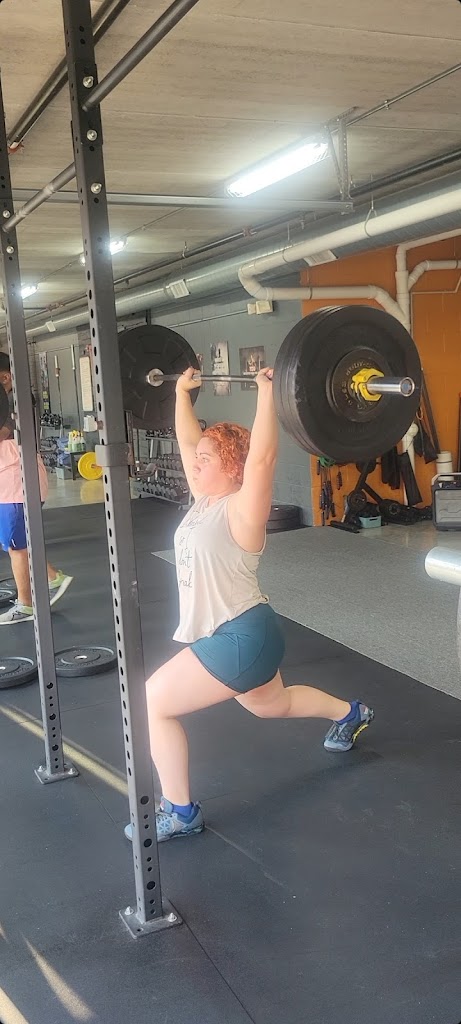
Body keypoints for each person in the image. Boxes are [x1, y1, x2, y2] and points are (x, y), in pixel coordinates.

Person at [125, 366, 374, 844]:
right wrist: (181, 394)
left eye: (206, 458)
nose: (194, 462)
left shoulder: (242, 510)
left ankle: (181, 811)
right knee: (272, 705)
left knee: (151, 702)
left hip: (239, 635)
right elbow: (187, 440)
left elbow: (262, 459)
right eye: (197, 457)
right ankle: (351, 713)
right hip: (248, 633)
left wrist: (266, 394)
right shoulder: (203, 499)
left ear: (232, 467)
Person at [0, 352, 73, 624]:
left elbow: (3, 433)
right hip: (11, 482)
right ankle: (53, 577)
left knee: (17, 546)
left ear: (5, 377)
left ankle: (26, 605)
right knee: (19, 543)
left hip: (18, 482)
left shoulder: (14, 401)